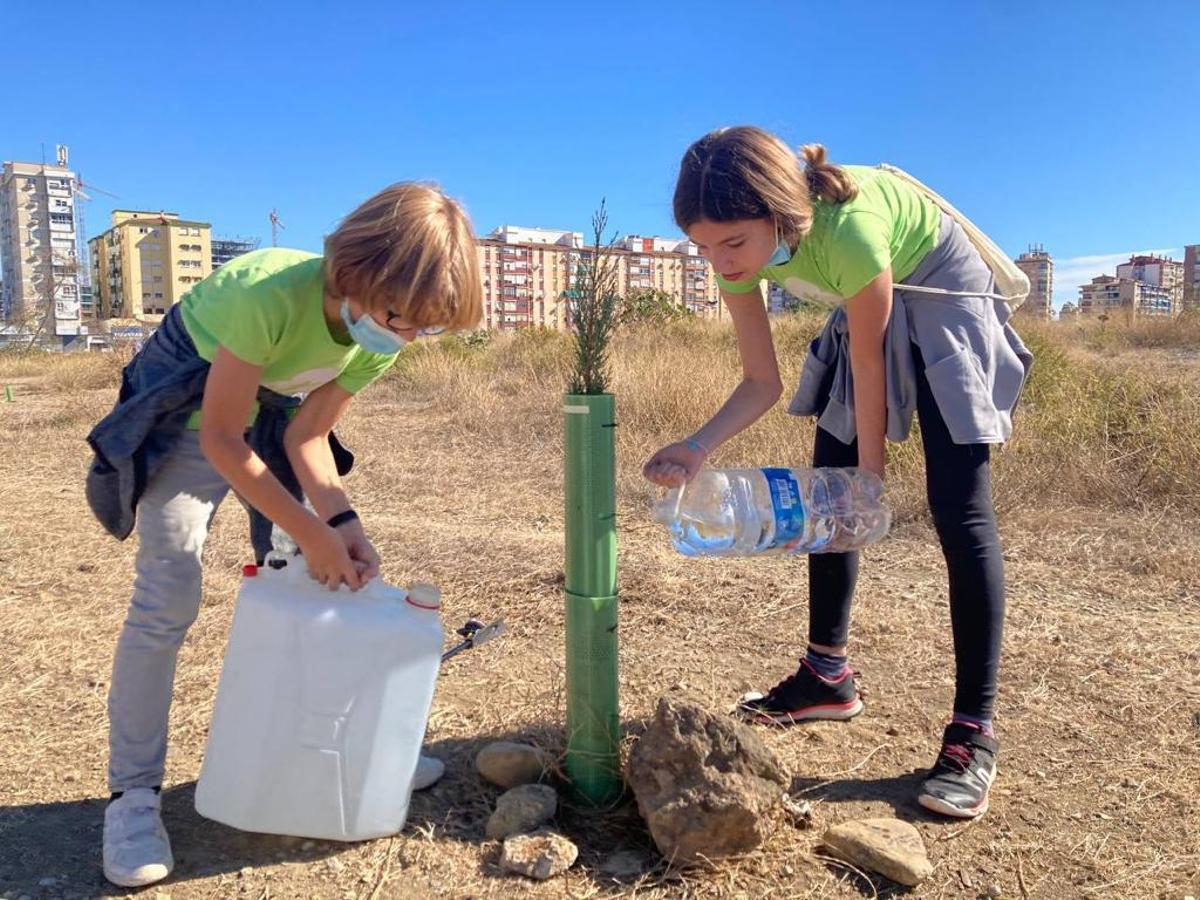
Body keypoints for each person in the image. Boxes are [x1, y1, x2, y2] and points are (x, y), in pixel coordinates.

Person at [86, 183, 482, 887]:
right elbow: (218, 435)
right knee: (168, 586)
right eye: (399, 317)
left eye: (425, 327)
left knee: (315, 576)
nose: (406, 337)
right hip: (187, 418)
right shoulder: (267, 293)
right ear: (355, 270)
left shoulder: (382, 334)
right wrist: (312, 528)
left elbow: (309, 433)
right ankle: (134, 795)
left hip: (266, 414)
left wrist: (341, 524)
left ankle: (352, 749)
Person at [643, 126, 1032, 820]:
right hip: (868, 299)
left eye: (733, 242)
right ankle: (827, 675)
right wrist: (697, 445)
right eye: (703, 246)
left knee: (958, 506)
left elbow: (875, 362)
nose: (720, 261)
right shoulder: (735, 257)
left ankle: (975, 730)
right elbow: (760, 381)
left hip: (940, 287)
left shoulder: (847, 231)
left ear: (780, 213)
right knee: (829, 499)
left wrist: (873, 480)